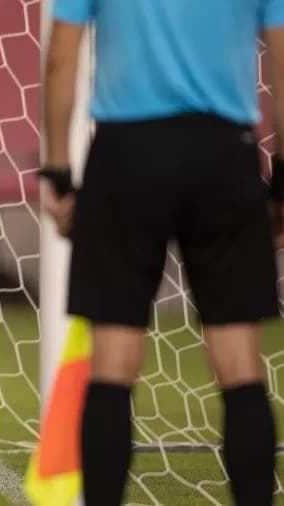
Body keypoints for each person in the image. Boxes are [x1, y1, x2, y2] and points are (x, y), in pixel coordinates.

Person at [42, 1, 284, 504]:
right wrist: (282, 176)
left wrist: (60, 171)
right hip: (224, 152)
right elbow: (282, 56)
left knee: (111, 366)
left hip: (126, 156)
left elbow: (61, 55)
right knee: (241, 367)